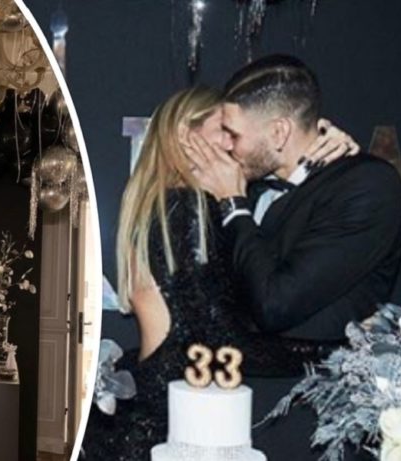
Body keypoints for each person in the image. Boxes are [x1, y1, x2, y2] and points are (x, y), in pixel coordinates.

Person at [80, 86, 356, 460]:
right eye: (224, 130)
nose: (235, 144)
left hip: (160, 395)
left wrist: (322, 153)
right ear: (184, 134)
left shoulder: (161, 202)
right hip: (175, 417)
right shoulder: (189, 205)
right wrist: (338, 352)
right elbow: (219, 336)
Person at [186, 55, 401, 459]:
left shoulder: (367, 186)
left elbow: (276, 303)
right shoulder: (252, 184)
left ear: (279, 131)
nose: (226, 145)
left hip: (308, 425)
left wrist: (233, 204)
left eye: (233, 133)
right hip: (225, 409)